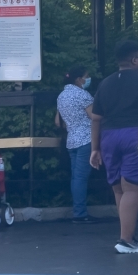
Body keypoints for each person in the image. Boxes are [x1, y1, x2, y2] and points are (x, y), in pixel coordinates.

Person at [90, 40, 138, 245]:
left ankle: (126, 234)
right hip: (137, 136)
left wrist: (94, 148)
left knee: (118, 188)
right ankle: (126, 239)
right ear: (135, 60)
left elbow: (96, 118)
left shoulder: (105, 83)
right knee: (133, 187)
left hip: (108, 138)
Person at [55, 66, 95, 223]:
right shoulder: (83, 95)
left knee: (76, 177)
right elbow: (94, 117)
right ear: (79, 79)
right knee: (81, 178)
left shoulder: (61, 96)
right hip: (86, 139)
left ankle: (78, 211)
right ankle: (80, 213)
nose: (88, 79)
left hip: (71, 141)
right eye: (87, 76)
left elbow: (58, 122)